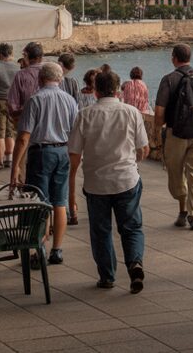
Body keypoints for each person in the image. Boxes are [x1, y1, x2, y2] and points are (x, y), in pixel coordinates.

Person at [68, 68, 149, 293]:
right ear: (117, 89)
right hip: (127, 180)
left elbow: (74, 154)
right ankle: (134, 262)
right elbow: (144, 149)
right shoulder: (132, 113)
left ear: (95, 91)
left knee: (101, 231)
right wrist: (134, 160)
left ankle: (107, 276)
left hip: (96, 183)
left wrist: (71, 189)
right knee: (131, 227)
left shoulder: (85, 115)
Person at [11, 62, 77, 266]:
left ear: (40, 79)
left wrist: (15, 166)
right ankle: (57, 250)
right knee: (59, 202)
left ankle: (38, 249)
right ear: (60, 79)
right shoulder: (70, 100)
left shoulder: (36, 100)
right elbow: (75, 131)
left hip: (41, 153)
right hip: (63, 151)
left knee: (39, 202)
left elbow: (23, 137)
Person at [154, 43, 193, 230]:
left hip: (176, 133)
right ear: (190, 57)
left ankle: (183, 210)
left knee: (175, 172)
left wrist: (158, 131)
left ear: (174, 58)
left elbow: (158, 111)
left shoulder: (168, 79)